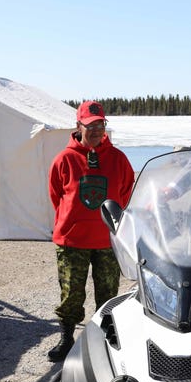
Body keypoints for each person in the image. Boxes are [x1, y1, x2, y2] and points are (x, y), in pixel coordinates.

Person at [47, 101, 134, 362]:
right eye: (90, 125)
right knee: (71, 293)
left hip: (107, 239)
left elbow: (127, 192)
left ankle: (106, 338)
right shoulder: (64, 159)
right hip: (72, 240)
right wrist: (73, 219)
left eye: (100, 124)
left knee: (108, 293)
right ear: (78, 126)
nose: (96, 130)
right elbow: (56, 195)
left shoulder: (118, 159)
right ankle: (66, 337)